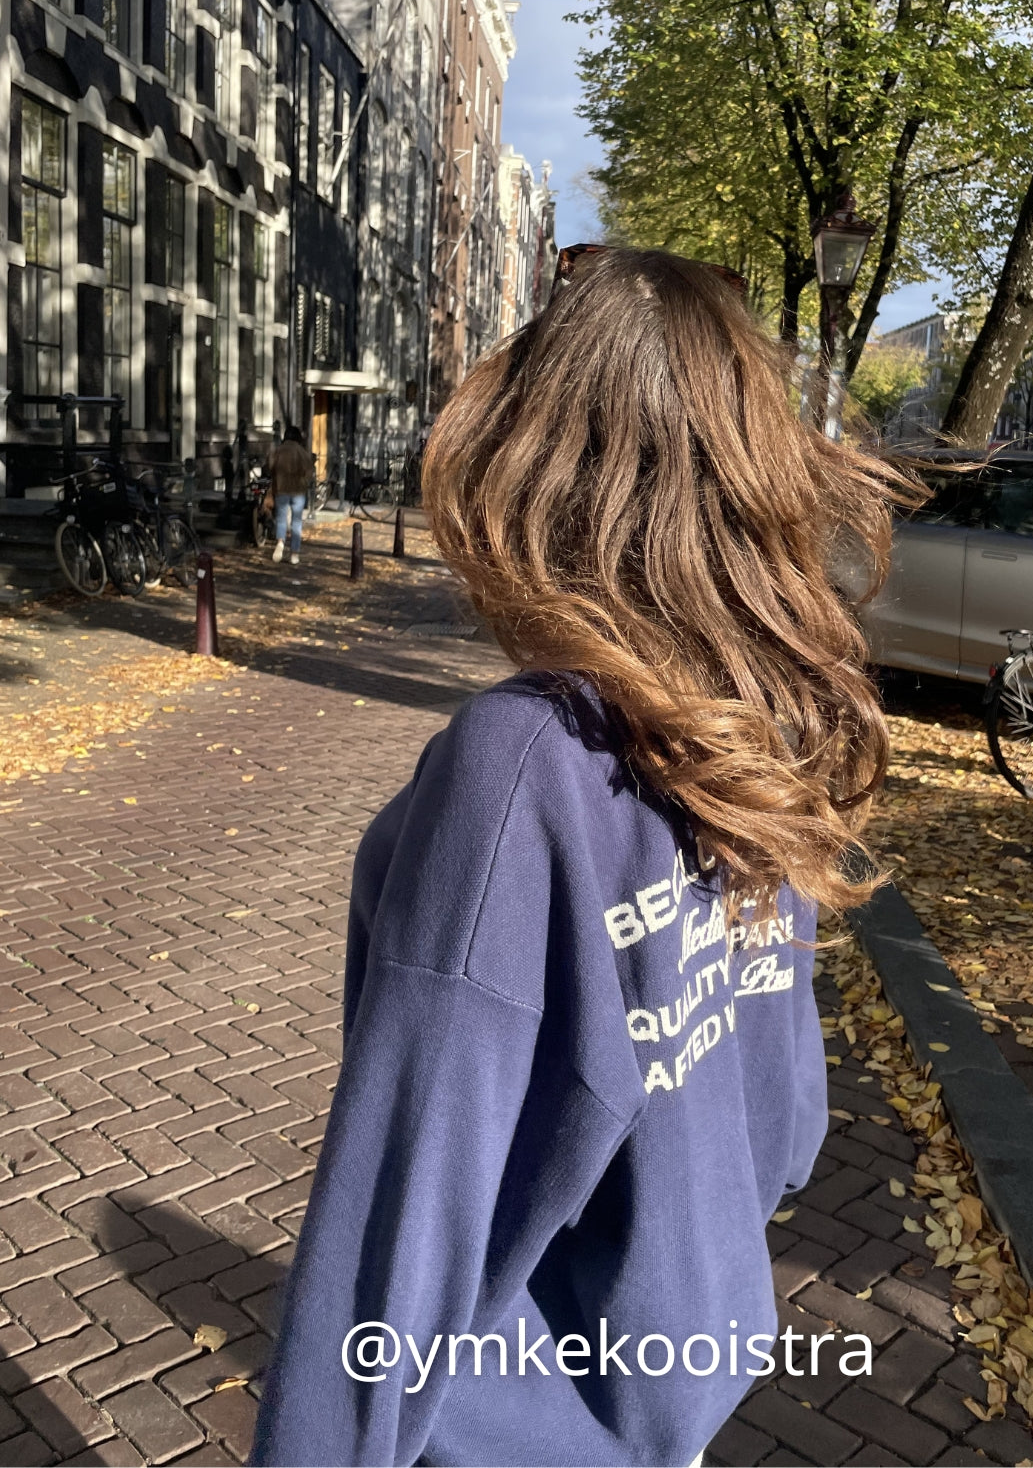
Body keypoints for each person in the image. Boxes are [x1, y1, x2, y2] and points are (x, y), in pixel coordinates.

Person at [250, 247, 915, 1468]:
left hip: (521, 1426)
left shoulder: (524, 762)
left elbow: (403, 1218)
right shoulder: (755, 736)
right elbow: (786, 1123)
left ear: (531, 459)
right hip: (680, 1384)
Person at [267, 424, 311, 564]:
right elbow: (309, 471)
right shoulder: (302, 452)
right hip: (298, 490)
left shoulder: (279, 450)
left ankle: (280, 542)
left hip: (282, 489)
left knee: (281, 518)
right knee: (296, 521)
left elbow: (271, 467)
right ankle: (294, 554)